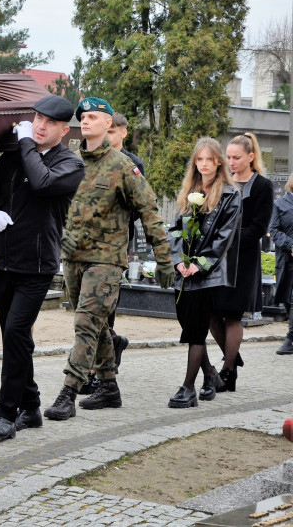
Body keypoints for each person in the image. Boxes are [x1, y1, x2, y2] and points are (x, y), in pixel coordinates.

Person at [43, 96, 174, 422]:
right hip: (73, 256)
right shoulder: (72, 162)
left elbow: (149, 211)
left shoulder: (122, 166)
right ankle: (109, 386)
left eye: (92, 117)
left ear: (107, 124)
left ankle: (68, 392)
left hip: (106, 259)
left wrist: (163, 259)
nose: (85, 121)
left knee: (85, 322)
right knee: (96, 323)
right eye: (82, 117)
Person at [0, 95, 84, 440]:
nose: (39, 125)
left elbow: (42, 183)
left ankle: (5, 415)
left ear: (65, 129)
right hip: (4, 262)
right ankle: (32, 406)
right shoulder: (14, 157)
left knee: (15, 334)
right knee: (16, 341)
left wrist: (25, 145)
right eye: (37, 118)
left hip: (36, 268)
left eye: (49, 122)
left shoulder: (70, 164)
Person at [166, 138, 241, 408]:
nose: (204, 164)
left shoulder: (231, 195)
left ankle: (188, 389)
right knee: (188, 324)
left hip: (208, 274)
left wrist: (200, 263)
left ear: (218, 161)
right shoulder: (190, 190)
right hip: (183, 272)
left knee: (196, 330)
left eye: (210, 159)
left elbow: (225, 237)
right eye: (200, 159)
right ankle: (210, 375)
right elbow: (174, 229)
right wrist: (178, 260)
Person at [80, 111, 142, 393]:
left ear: (123, 133)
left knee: (102, 309)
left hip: (113, 249)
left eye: (113, 132)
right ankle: (110, 348)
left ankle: (95, 372)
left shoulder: (131, 164)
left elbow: (139, 208)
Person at [208, 132, 273, 391]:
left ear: (250, 157)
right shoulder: (222, 181)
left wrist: (228, 242)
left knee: (233, 316)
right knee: (211, 314)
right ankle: (232, 354)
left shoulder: (262, 186)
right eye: (229, 157)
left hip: (243, 260)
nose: (231, 162)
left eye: (236, 157)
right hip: (217, 258)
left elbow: (259, 228)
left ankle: (228, 372)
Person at [271, 175, 293, 355]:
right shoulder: (280, 204)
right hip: (286, 260)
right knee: (286, 297)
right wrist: (290, 245)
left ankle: (290, 338)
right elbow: (273, 230)